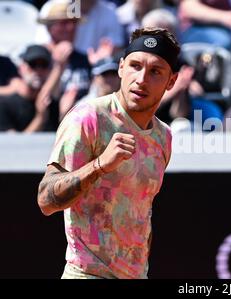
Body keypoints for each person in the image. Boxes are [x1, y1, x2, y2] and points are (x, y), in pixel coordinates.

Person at [36, 27, 180, 279]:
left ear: (171, 81)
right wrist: (100, 164)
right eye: (135, 66)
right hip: (85, 273)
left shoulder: (163, 137)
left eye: (155, 71)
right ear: (121, 68)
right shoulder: (88, 118)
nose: (142, 78)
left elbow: (141, 211)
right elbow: (46, 200)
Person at [0, 45, 61, 132]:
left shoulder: (53, 104)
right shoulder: (4, 105)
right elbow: (14, 144)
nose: (38, 71)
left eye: (44, 65)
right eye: (33, 64)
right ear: (21, 68)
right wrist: (40, 119)